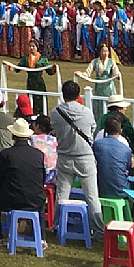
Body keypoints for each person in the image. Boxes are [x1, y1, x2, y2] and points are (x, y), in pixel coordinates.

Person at [51, 79, 105, 238]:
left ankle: (58, 224)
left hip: (65, 156)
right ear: (78, 95)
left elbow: (55, 130)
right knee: (92, 196)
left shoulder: (56, 112)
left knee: (62, 194)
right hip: (85, 157)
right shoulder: (86, 112)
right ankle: (98, 229)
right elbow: (92, 129)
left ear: (63, 95)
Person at [0, 119, 48, 246]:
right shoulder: (38, 155)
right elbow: (41, 179)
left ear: (13, 136)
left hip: (12, 200)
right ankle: (41, 237)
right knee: (40, 204)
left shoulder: (6, 154)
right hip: (34, 199)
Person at [92, 116, 134, 201]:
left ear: (105, 130)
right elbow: (128, 168)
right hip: (121, 191)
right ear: (120, 131)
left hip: (99, 189)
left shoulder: (96, 145)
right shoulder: (126, 149)